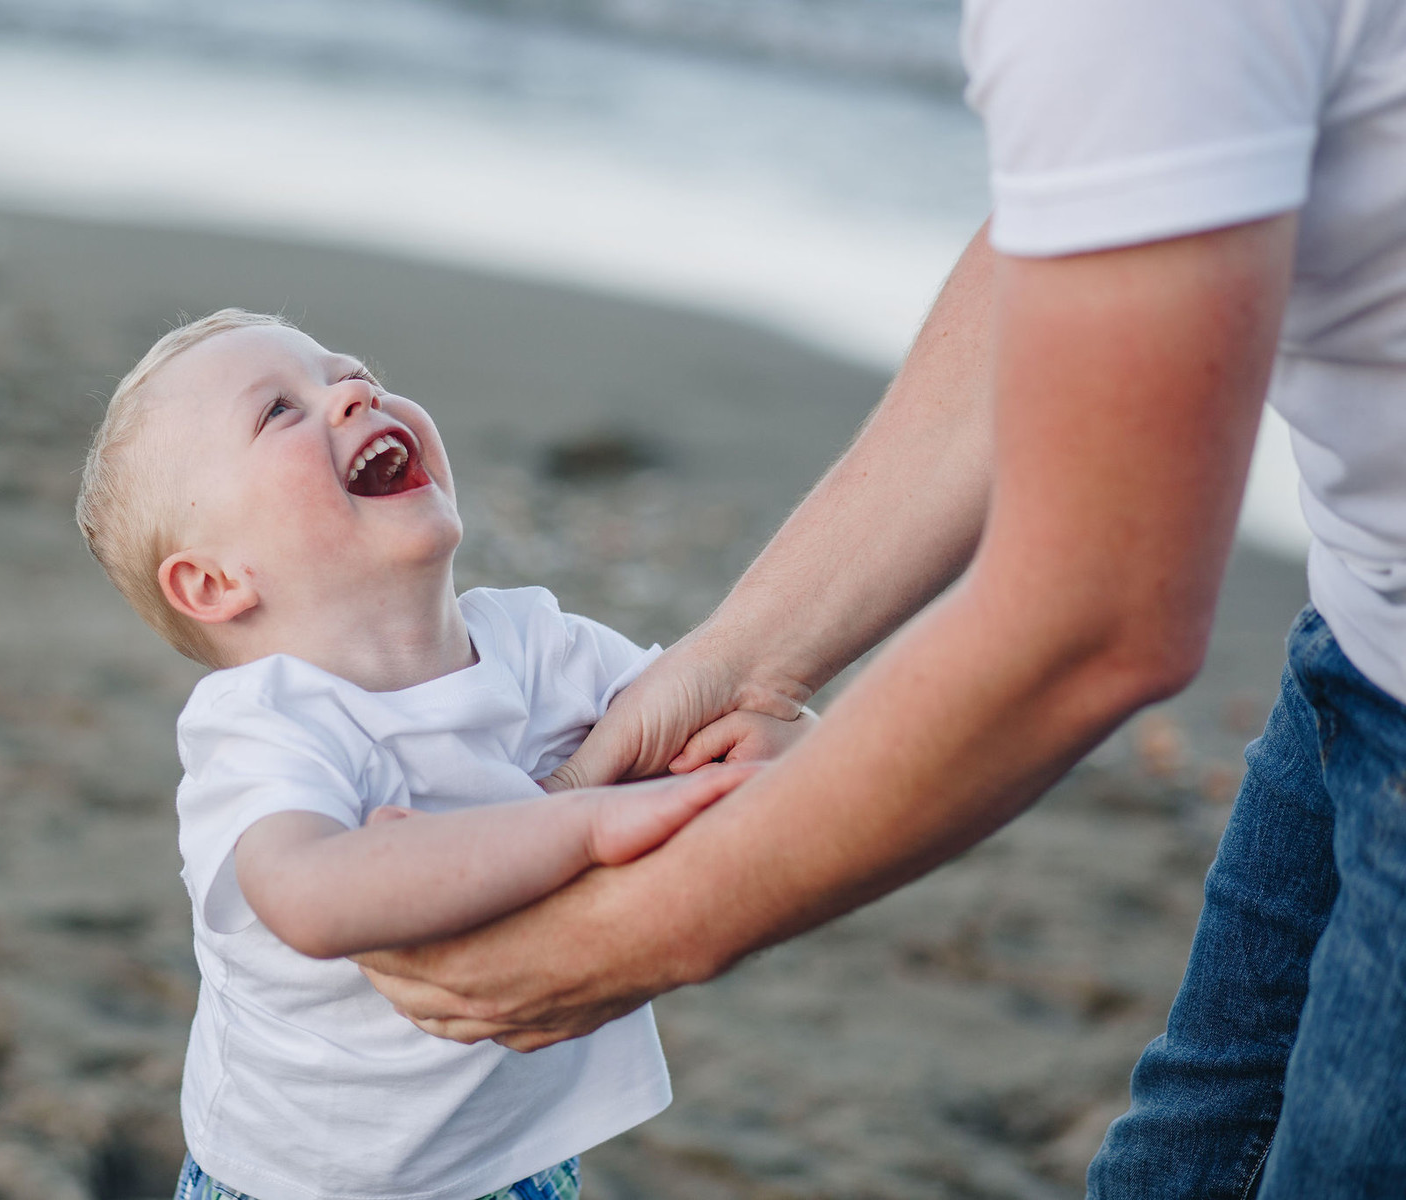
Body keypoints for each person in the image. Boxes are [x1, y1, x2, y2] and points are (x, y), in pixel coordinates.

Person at [357, 0, 1406, 1193]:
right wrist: (750, 660)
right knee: (1186, 1157)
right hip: (1367, 636)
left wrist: (629, 938)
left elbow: (1095, 623)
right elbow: (1089, 215)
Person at [74, 309, 796, 1200]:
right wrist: (582, 822)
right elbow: (310, 893)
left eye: (348, 370)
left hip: (521, 1164)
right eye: (279, 412)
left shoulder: (541, 646)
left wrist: (772, 740)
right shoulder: (266, 724)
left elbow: (740, 732)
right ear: (216, 582)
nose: (351, 391)